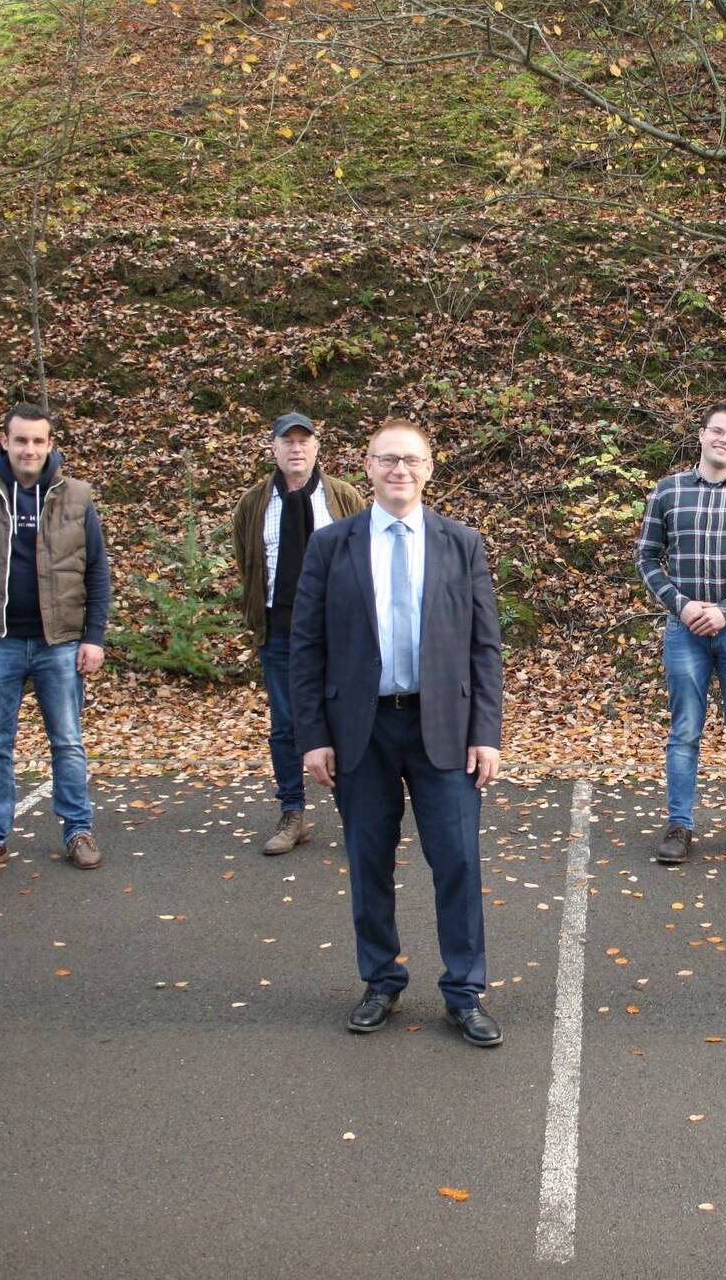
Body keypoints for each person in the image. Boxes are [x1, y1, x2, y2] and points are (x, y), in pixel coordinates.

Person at [290, 421, 506, 1046]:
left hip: (444, 727)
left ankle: (464, 991)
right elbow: (306, 648)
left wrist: (485, 733)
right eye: (388, 460)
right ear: (367, 466)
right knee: (368, 860)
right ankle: (381, 980)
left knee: (458, 862)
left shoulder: (461, 544)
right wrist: (313, 735)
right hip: (360, 729)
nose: (399, 471)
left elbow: (484, 648)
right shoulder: (332, 546)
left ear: (429, 468)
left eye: (411, 461)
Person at [0, 402, 111, 877]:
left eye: (38, 440)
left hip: (59, 642)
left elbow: (97, 570)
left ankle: (78, 831)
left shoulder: (76, 497)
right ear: (4, 442)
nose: (29, 449)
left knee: (68, 741)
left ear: (50, 444)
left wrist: (93, 637)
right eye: (21, 440)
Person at [634, 404, 726, 866]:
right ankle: (679, 826)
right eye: (717, 431)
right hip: (684, 632)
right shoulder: (667, 492)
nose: (724, 440)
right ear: (701, 435)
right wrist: (681, 604)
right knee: (683, 733)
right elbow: (647, 559)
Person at [231, 411, 366, 856]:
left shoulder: (343, 498)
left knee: (348, 721)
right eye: (286, 441)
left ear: (316, 447)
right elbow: (249, 563)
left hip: (340, 632)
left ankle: (356, 814)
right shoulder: (254, 504)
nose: (296, 448)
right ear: (272, 448)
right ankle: (293, 812)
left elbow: (366, 556)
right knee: (286, 725)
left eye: (303, 441)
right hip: (282, 631)